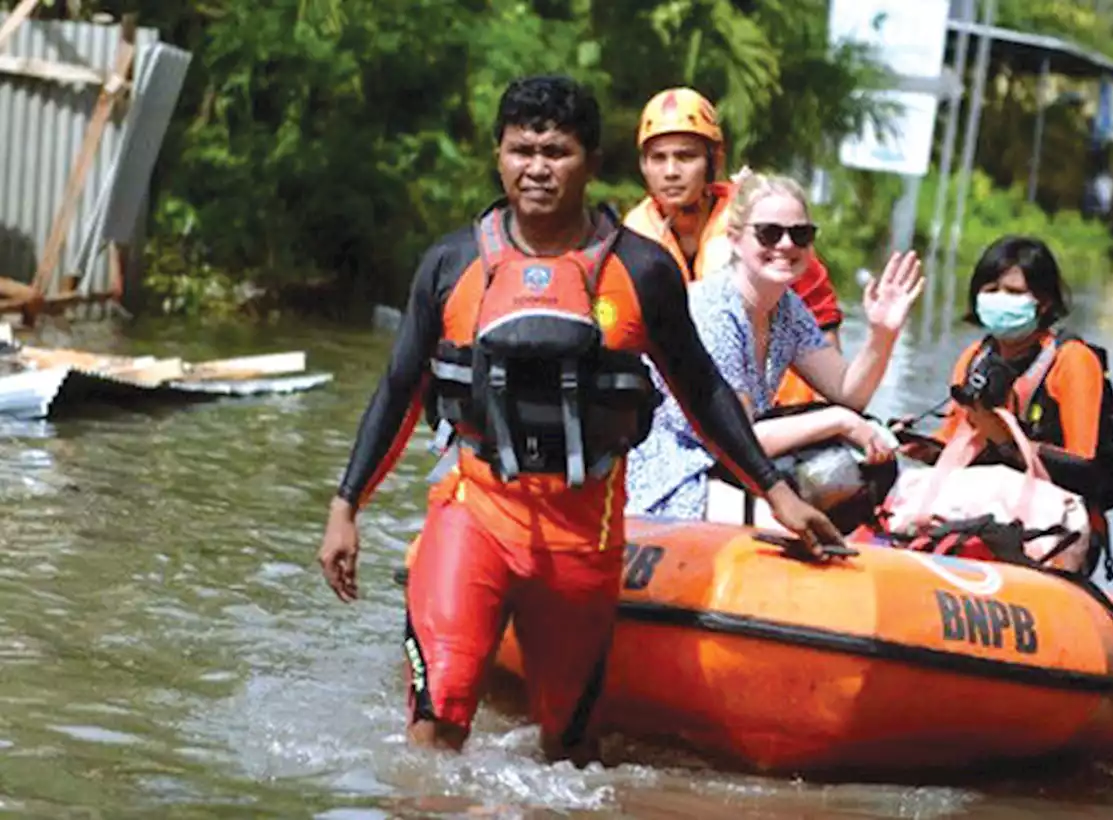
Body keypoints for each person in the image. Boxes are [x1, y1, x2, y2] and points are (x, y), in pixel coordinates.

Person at [315, 76, 841, 765]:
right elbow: (398, 388)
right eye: (521, 150)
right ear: (499, 157)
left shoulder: (642, 271)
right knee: (436, 728)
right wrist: (346, 504)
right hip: (472, 513)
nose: (537, 167)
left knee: (569, 753)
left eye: (556, 151)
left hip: (584, 532)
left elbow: (704, 393)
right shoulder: (451, 263)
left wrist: (777, 492)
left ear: (591, 162)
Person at [626, 171, 922, 520]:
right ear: (735, 239)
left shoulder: (786, 308)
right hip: (676, 477)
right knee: (810, 528)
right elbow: (736, 438)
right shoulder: (715, 311)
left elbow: (848, 392)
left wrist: (882, 335)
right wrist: (839, 421)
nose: (785, 245)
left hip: (736, 470)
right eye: (769, 233)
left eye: (800, 235)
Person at [901, 236, 1113, 578]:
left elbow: (1084, 468)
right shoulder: (975, 359)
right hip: (985, 514)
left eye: (1013, 292)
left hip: (1056, 526)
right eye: (991, 289)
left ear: (1043, 302)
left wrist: (1008, 444)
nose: (999, 300)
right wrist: (913, 444)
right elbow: (951, 443)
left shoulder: (1072, 361)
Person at [624, 87, 844, 407]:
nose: (671, 172)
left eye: (686, 156)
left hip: (779, 400)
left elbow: (820, 316)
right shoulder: (633, 235)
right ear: (644, 165)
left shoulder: (766, 224)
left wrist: (829, 408)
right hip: (685, 399)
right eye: (658, 158)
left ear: (714, 161)